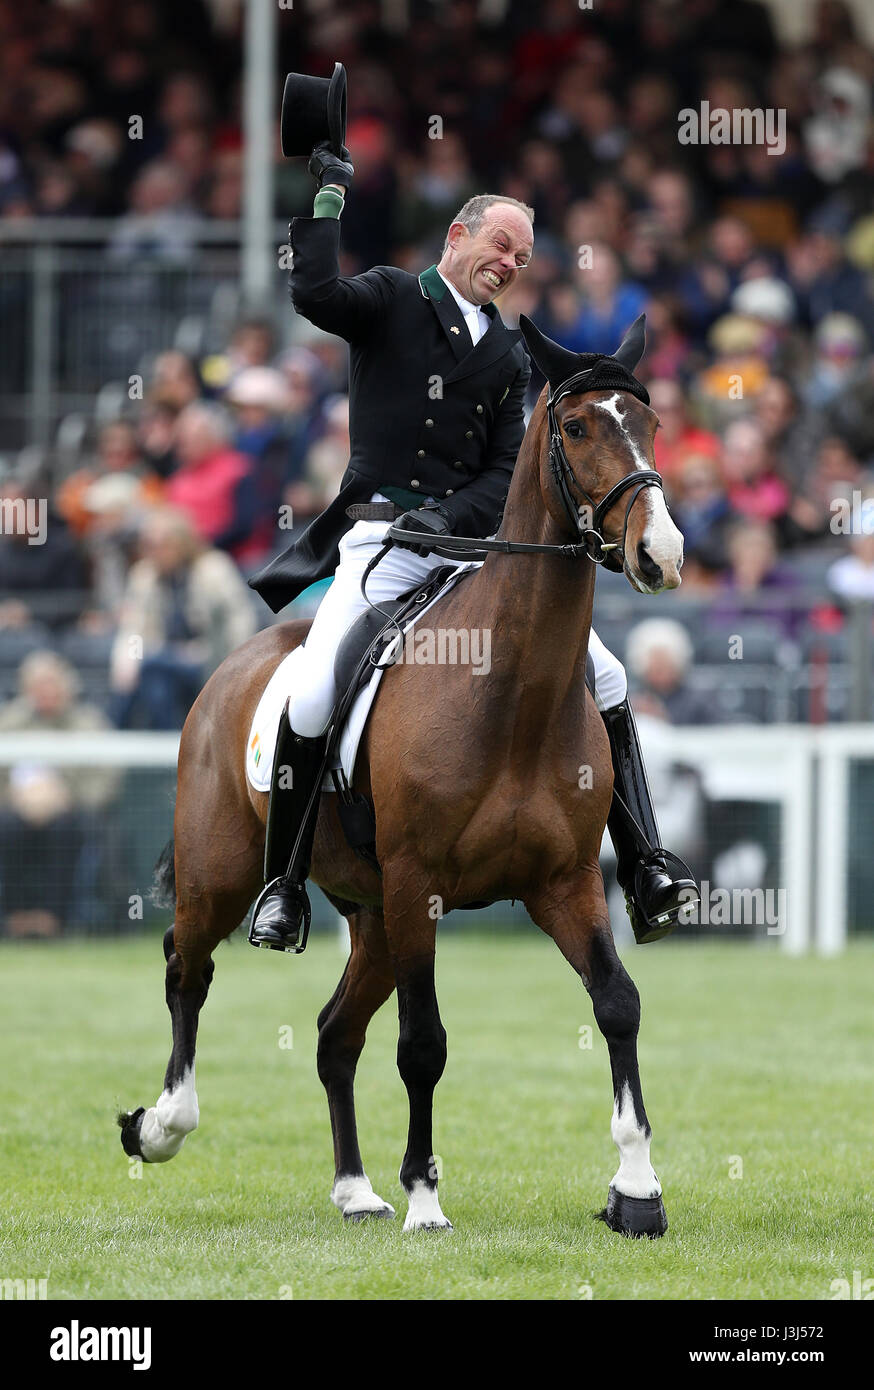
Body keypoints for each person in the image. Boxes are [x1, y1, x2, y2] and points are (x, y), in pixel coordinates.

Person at [247, 143, 696, 952]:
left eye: (522, 257)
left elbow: (503, 471)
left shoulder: (508, 354)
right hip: (383, 539)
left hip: (469, 550)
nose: (510, 263)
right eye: (500, 245)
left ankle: (647, 862)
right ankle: (282, 886)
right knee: (313, 691)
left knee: (610, 672)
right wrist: (326, 198)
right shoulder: (389, 298)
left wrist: (454, 520)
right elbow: (312, 290)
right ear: (458, 235)